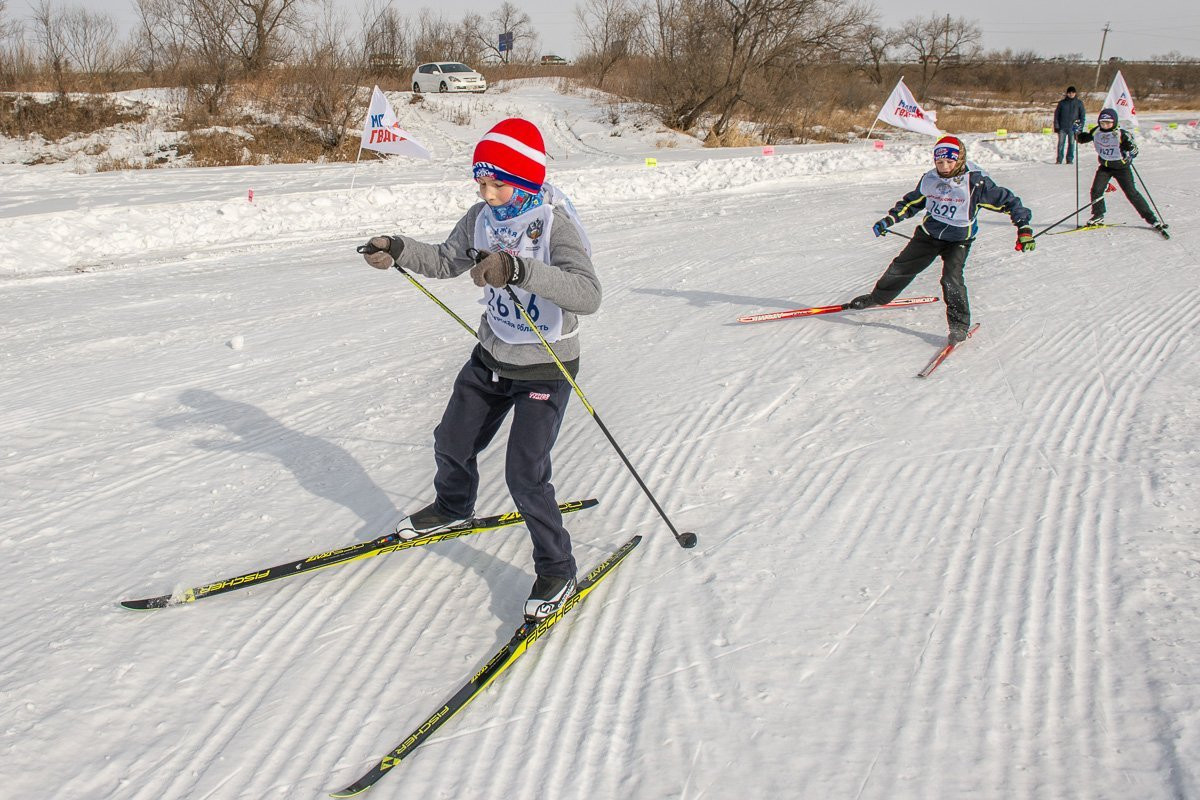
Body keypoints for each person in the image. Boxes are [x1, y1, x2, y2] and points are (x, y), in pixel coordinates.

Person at [359, 118, 601, 621]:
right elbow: (449, 259)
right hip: (493, 353)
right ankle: (453, 507)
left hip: (546, 365)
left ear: (528, 178)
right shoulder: (481, 217)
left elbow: (587, 294)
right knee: (451, 439)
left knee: (524, 474)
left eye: (498, 183)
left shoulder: (555, 223)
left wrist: (517, 269)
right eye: (481, 183)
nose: (488, 194)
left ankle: (557, 567)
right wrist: (398, 248)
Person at [848, 135, 1034, 344]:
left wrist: (1023, 228)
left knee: (951, 279)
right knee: (901, 267)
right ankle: (878, 298)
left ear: (960, 159)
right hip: (929, 234)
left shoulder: (976, 182)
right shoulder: (930, 179)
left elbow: (1010, 202)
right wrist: (889, 220)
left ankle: (959, 326)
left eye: (949, 161)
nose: (944, 167)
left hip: (959, 240)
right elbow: (912, 203)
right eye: (939, 162)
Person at [1076, 107, 1167, 233]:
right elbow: (1083, 139)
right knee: (1096, 191)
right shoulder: (1096, 131)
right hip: (1105, 167)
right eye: (1103, 123)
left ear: (1114, 122)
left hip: (1121, 168)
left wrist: (1129, 151)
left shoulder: (1121, 134)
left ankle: (1151, 219)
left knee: (1131, 193)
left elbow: (1134, 150)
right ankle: (1098, 216)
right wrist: (1077, 132)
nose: (1105, 125)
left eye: (1108, 123)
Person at [1053, 86, 1086, 164]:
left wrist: (1080, 128)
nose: (1071, 94)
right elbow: (1056, 115)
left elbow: (1082, 116)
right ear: (1067, 93)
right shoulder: (1062, 103)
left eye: (1073, 93)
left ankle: (1069, 159)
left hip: (1073, 127)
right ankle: (1059, 159)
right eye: (1069, 93)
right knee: (1061, 143)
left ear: (1075, 93)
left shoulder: (1079, 103)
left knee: (1071, 143)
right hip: (1062, 127)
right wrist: (1056, 126)